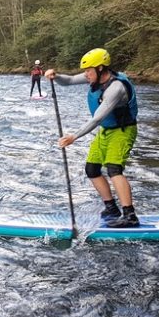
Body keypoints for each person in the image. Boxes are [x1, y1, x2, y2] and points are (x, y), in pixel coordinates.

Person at [45, 48, 140, 228]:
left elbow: (97, 118)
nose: (86, 74)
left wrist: (74, 136)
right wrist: (56, 76)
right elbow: (70, 80)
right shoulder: (94, 76)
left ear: (101, 68)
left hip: (122, 131)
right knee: (92, 169)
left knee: (114, 169)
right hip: (106, 131)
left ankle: (130, 215)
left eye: (89, 70)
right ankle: (111, 208)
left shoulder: (116, 88)